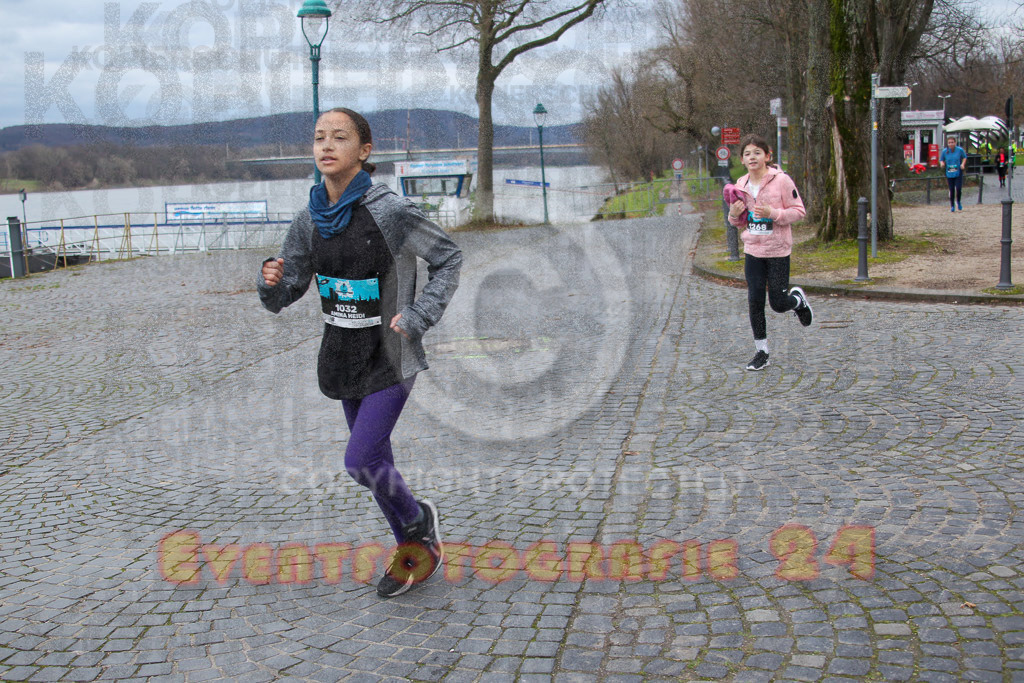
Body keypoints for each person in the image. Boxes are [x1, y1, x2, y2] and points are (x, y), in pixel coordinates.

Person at [257, 107, 462, 598]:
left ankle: (418, 521)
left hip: (392, 352)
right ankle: (414, 550)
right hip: (343, 352)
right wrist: (270, 281)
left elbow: (449, 257)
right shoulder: (309, 218)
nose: (326, 146)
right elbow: (289, 287)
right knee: (377, 461)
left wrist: (417, 316)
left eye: (340, 138)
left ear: (364, 151)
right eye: (319, 138)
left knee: (361, 460)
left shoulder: (390, 210)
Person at [724, 134, 812, 372]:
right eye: (747, 154)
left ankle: (798, 301)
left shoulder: (781, 181)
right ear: (742, 159)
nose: (752, 157)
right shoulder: (740, 185)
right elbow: (738, 222)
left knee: (778, 303)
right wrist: (733, 213)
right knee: (754, 301)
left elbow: (799, 211)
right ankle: (762, 351)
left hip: (778, 250)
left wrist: (774, 213)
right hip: (753, 250)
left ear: (767, 156)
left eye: (757, 152)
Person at [939, 135, 967, 212]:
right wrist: (942, 163)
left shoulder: (959, 150)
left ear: (955, 143)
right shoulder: (945, 151)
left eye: (952, 142)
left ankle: (958, 201)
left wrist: (962, 164)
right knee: (951, 190)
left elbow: (964, 157)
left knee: (958, 188)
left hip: (958, 172)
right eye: (949, 143)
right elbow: (941, 159)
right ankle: (952, 205)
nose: (951, 144)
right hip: (949, 172)